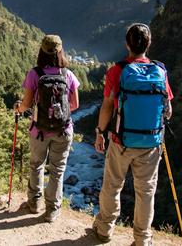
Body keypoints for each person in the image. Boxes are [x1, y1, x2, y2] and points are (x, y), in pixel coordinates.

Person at [93, 23, 173, 245]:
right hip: (151, 143)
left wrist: (100, 132)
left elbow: (107, 106)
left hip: (121, 141)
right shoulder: (160, 71)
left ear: (127, 43)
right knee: (146, 191)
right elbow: (168, 109)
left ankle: (105, 229)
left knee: (112, 186)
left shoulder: (117, 71)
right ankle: (142, 239)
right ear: (149, 44)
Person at [14, 34, 80, 223]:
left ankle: (34, 203)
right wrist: (58, 111)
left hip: (39, 131)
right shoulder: (67, 74)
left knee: (36, 165)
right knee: (57, 170)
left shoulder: (35, 74)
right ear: (60, 51)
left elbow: (26, 104)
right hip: (63, 130)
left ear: (42, 50)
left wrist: (19, 108)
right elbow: (75, 104)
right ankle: (52, 210)